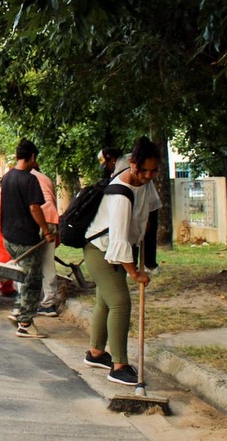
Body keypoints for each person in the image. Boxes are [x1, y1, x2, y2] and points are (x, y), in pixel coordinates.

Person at [82, 136, 161, 386]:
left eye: (154, 171)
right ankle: (119, 366)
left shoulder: (146, 184)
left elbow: (151, 210)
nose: (148, 175)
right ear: (133, 164)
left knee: (105, 302)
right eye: (144, 170)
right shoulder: (121, 194)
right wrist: (135, 274)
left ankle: (96, 353)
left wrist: (146, 242)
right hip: (100, 251)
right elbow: (118, 241)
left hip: (115, 249)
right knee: (120, 302)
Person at [0, 139, 54, 338]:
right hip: (25, 239)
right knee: (33, 281)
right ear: (33, 157)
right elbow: (35, 208)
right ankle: (26, 324)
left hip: (9, 237)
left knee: (24, 277)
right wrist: (46, 230)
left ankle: (18, 311)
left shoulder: (7, 177)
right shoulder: (30, 180)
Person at [31, 164, 61, 317]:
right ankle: (49, 304)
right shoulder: (46, 179)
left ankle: (27, 302)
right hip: (51, 219)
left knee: (28, 262)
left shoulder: (22, 177)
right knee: (48, 262)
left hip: (34, 220)